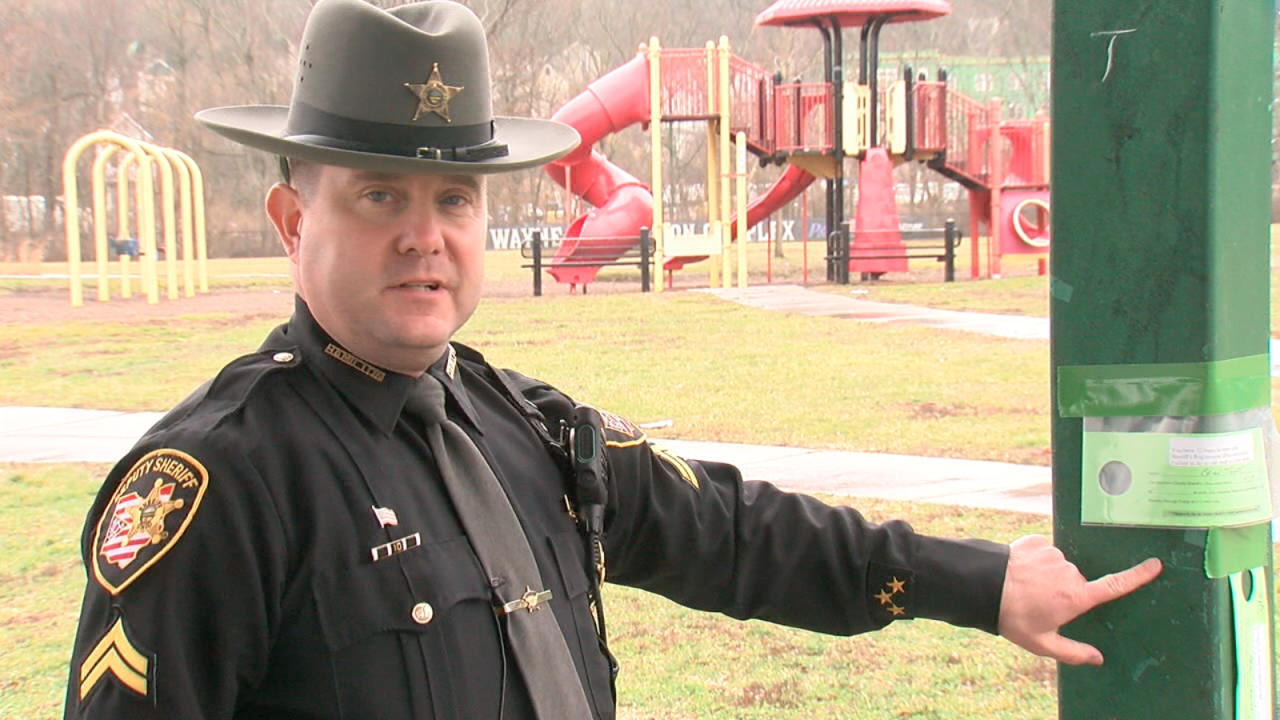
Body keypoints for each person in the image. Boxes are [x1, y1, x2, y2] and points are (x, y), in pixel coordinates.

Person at [63, 1, 1162, 718]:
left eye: (454, 197)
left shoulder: (527, 430)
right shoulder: (220, 484)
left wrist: (981, 583)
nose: (424, 234)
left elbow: (736, 537)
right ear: (291, 223)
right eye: (377, 196)